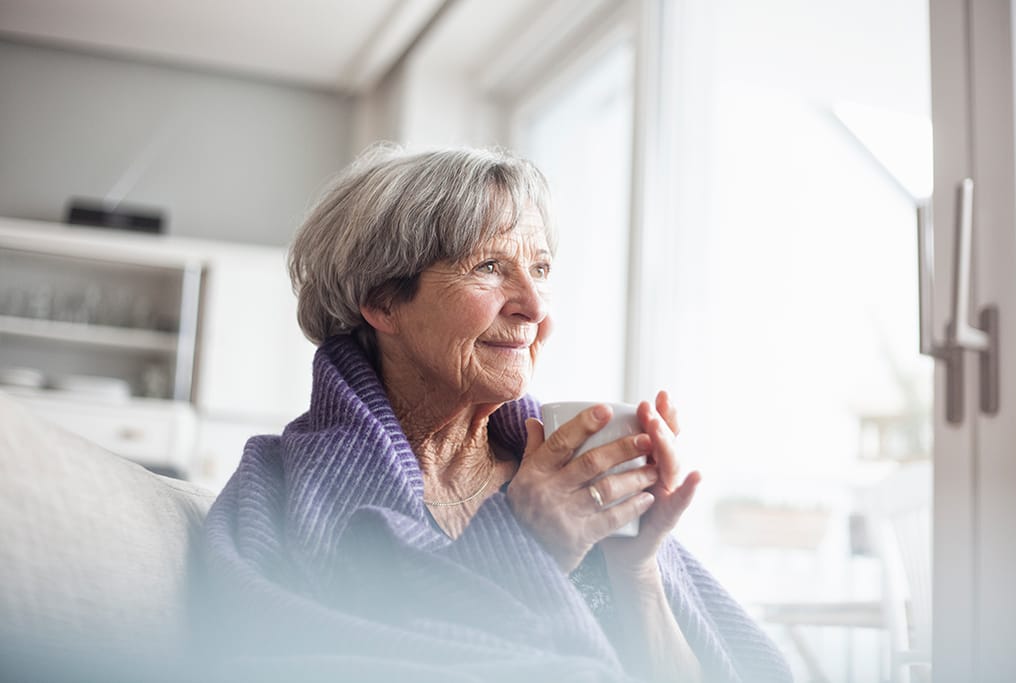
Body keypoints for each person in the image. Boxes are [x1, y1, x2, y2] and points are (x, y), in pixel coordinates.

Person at [200, 145, 793, 683]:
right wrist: (524, 544)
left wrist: (637, 569)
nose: (534, 306)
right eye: (488, 267)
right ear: (383, 301)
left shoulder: (570, 478)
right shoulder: (276, 487)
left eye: (539, 269)